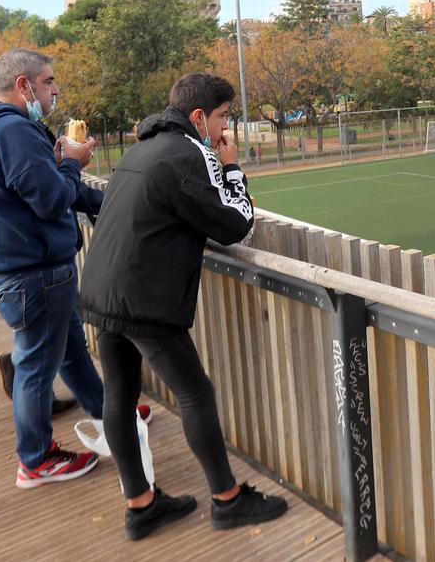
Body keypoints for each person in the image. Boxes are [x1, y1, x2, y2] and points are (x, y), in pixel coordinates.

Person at [79, 73, 288, 540]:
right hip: (143, 297)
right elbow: (236, 225)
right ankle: (228, 500)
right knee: (195, 393)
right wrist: (231, 168)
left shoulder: (141, 147)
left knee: (119, 396)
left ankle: (141, 505)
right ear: (198, 117)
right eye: (222, 117)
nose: (224, 129)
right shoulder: (189, 152)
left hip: (100, 287)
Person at [0, 48, 147, 488]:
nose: (55, 90)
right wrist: (73, 164)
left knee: (70, 349)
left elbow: (35, 188)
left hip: (13, 265)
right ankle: (36, 459)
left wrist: (78, 181)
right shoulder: (13, 134)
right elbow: (53, 198)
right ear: (24, 85)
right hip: (31, 270)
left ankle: (110, 413)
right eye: (49, 81)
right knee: (36, 364)